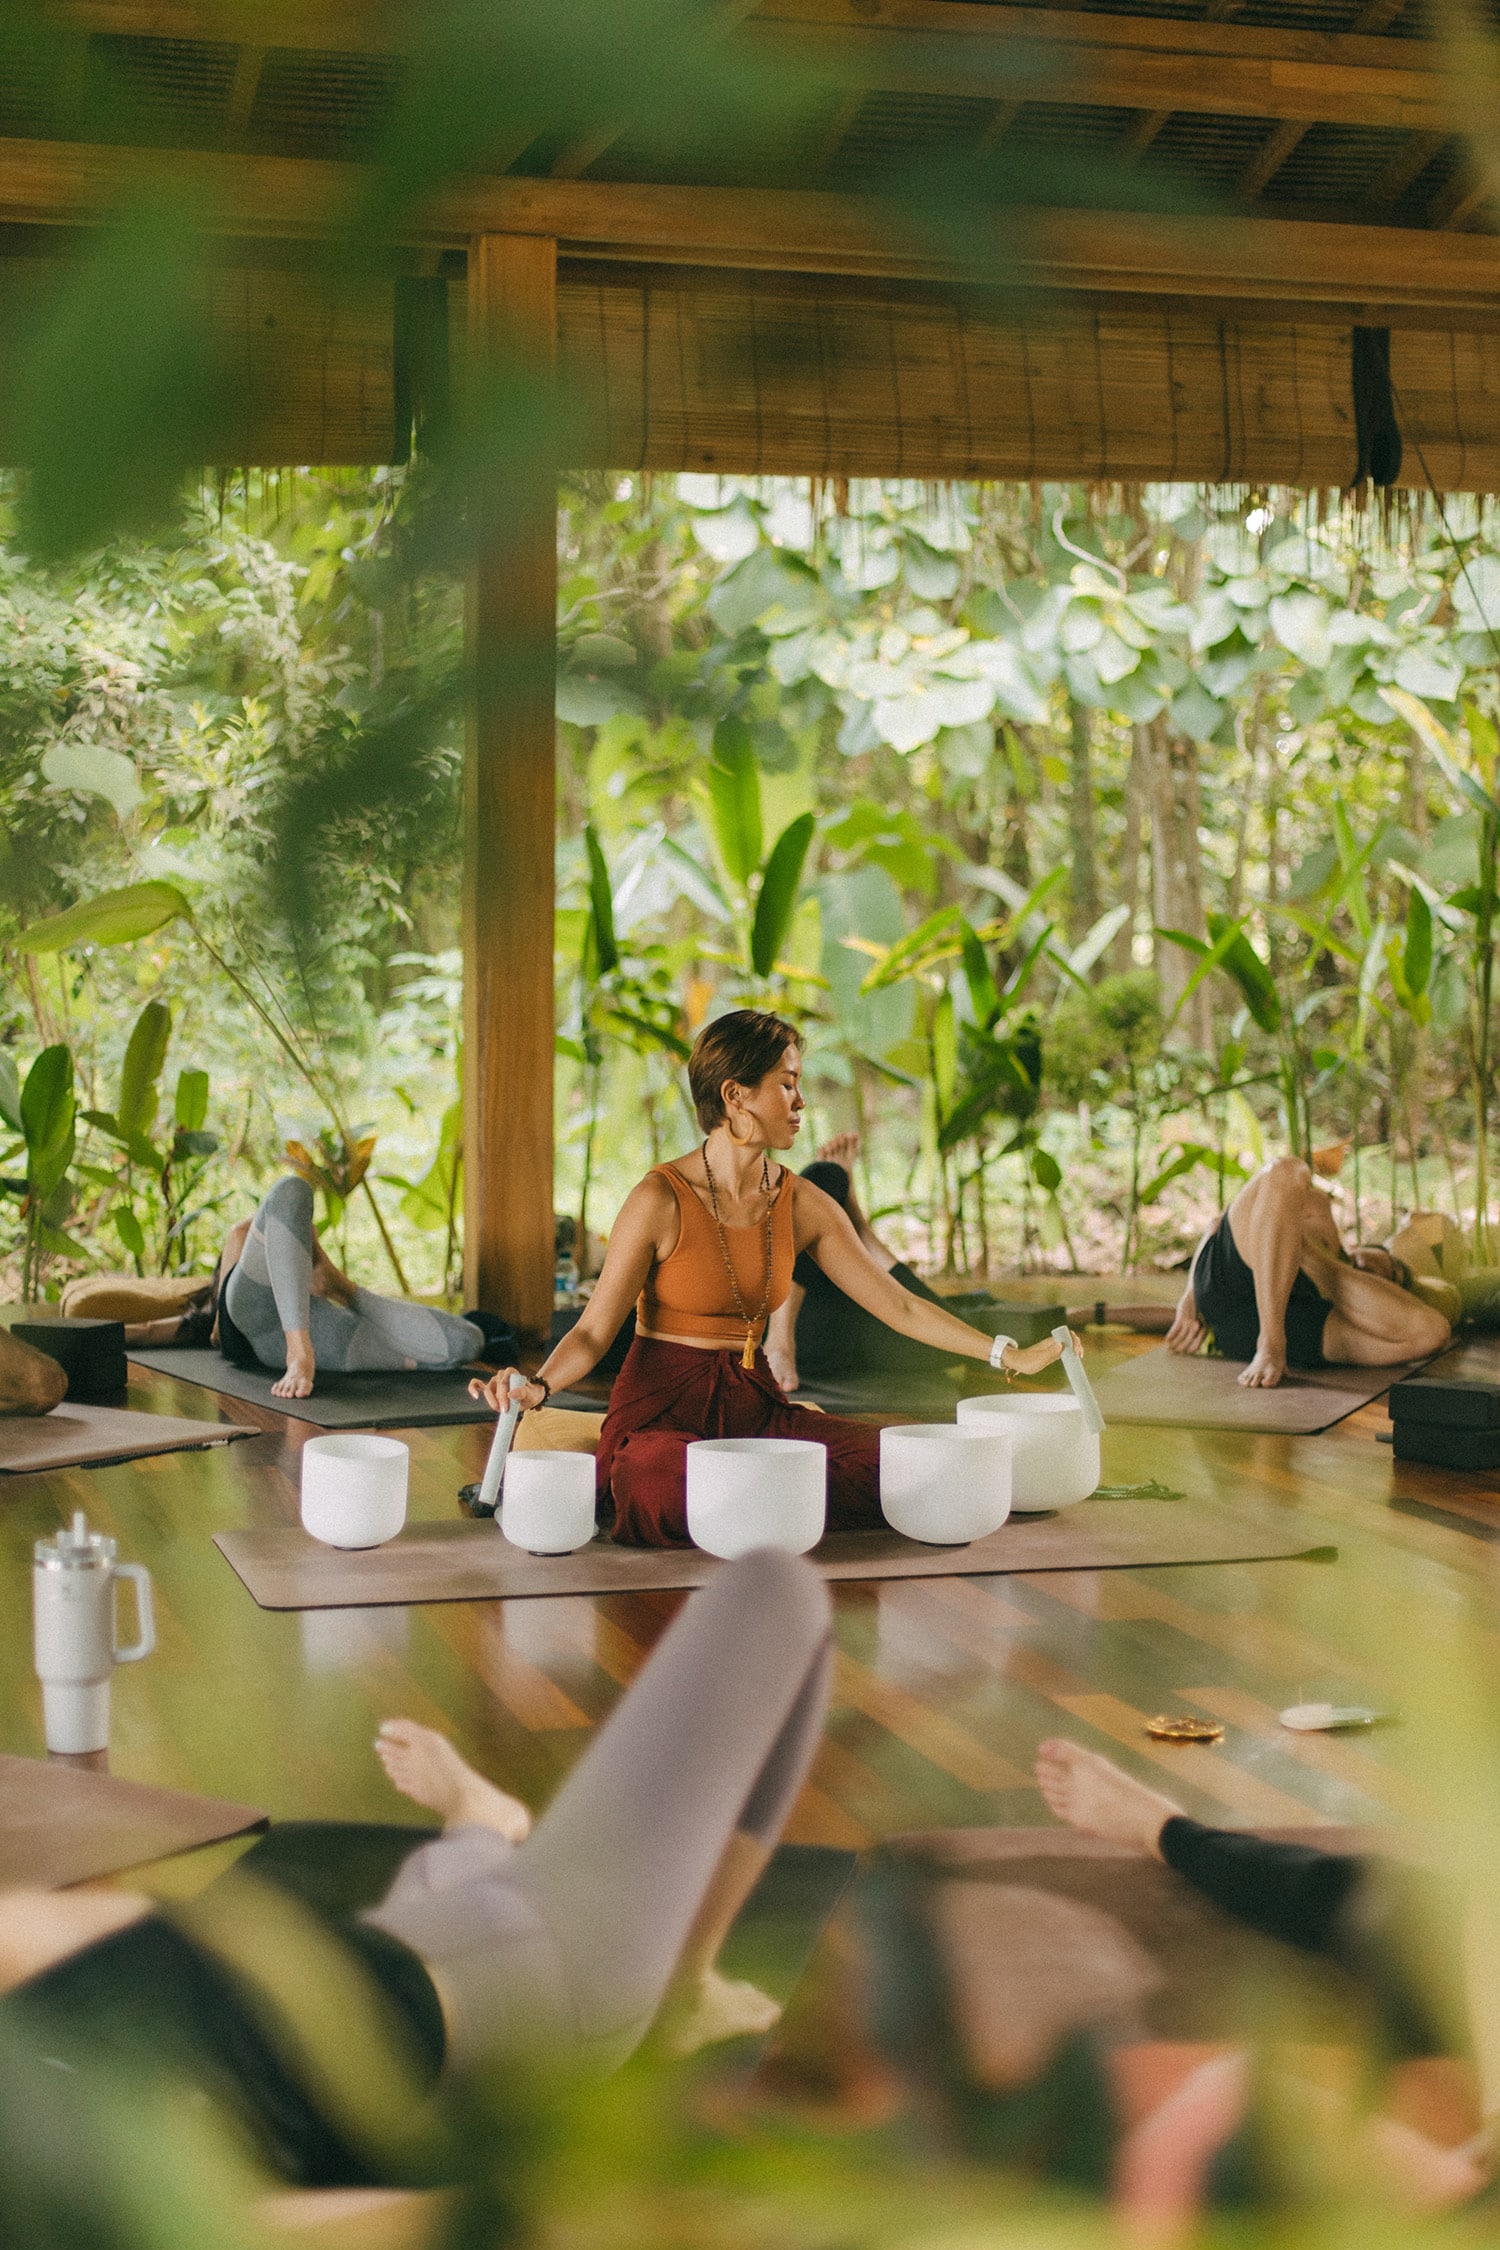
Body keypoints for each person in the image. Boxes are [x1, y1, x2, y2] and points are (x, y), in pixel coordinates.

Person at [1, 1551, 833, 2187]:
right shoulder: (94, 2182)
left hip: (398, 1960)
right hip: (555, 1980)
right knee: (779, 1588)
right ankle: (675, 1987)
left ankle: (478, 1826)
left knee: (409, 1927)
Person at [471, 1009, 1080, 1546]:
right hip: (662, 1412)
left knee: (899, 1467)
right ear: (735, 1096)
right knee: (659, 1480)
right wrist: (539, 1387)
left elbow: (899, 1306)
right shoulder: (660, 1197)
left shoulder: (803, 1201)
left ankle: (754, 1504)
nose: (801, 1102)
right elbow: (593, 1332)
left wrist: (1006, 1353)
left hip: (755, 1405)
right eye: (786, 1085)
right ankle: (762, 1502)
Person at [1166, 1156, 1451, 1390]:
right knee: (1289, 1169)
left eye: (1391, 1278)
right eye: (1388, 1261)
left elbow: (1431, 1333)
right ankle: (1270, 1341)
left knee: (1435, 1333)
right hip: (1225, 1278)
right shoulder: (1319, 1214)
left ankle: (1270, 1341)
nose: (1382, 1268)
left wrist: (1309, 1257)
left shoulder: (1341, 1302)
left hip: (1256, 1329)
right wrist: (1188, 1296)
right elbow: (1216, 1223)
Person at [762, 1133, 953, 1395]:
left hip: (825, 1339)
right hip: (778, 1326)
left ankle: (854, 1225)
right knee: (827, 1175)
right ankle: (779, 1340)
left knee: (951, 1342)